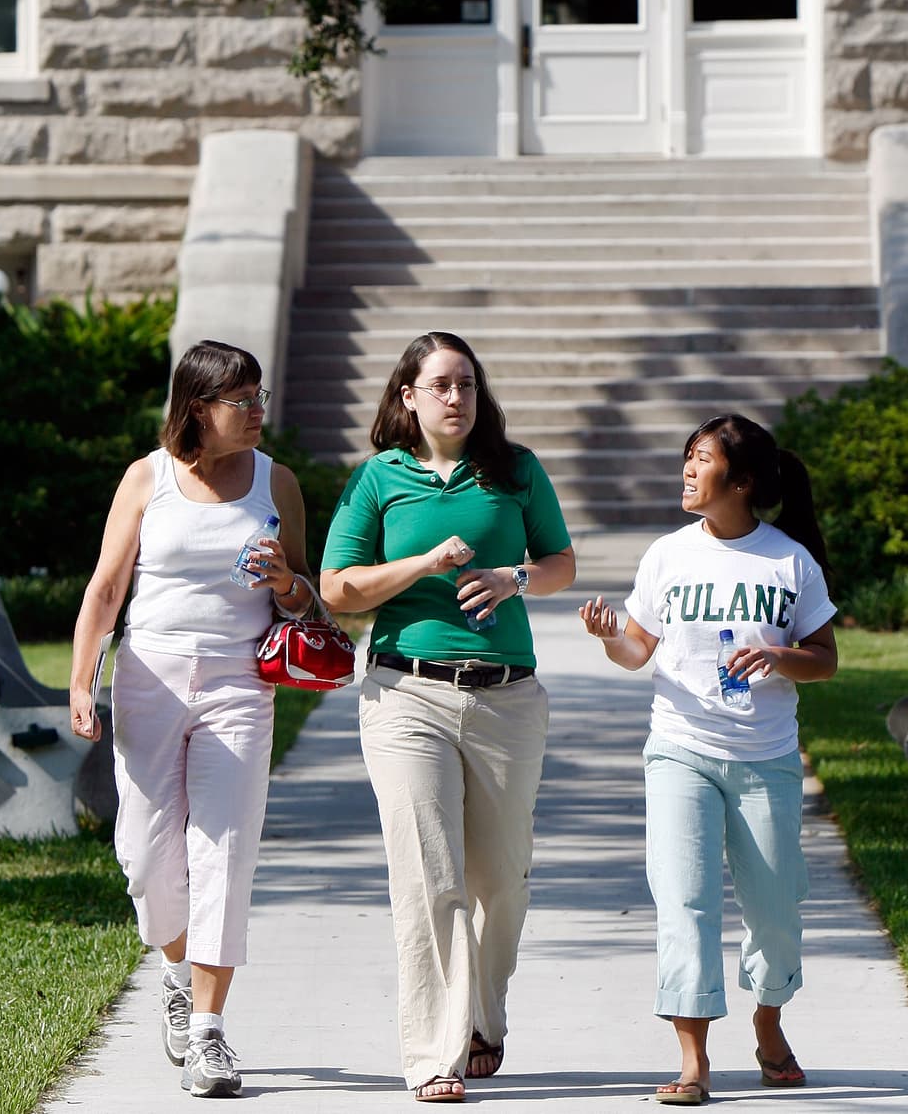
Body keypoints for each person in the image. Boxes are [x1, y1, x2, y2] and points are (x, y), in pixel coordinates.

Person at [320, 331, 575, 1105]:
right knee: (430, 878)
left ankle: (483, 1015)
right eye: (440, 384)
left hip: (507, 697)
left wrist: (513, 576)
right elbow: (337, 587)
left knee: (503, 880)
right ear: (408, 396)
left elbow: (562, 564)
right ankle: (435, 1051)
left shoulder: (515, 470)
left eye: (467, 382)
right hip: (405, 695)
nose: (457, 396)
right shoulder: (378, 480)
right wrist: (424, 565)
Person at [69, 339, 316, 1100]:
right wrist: (83, 682)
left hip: (241, 682)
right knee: (146, 857)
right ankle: (174, 971)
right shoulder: (149, 478)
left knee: (226, 855)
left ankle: (208, 1032)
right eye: (240, 401)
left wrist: (287, 581)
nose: (256, 412)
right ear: (196, 408)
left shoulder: (278, 481)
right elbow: (108, 587)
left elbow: (304, 597)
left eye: (259, 397)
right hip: (150, 677)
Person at [579, 412, 837, 1108]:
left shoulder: (789, 560)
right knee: (684, 902)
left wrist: (779, 655)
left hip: (766, 757)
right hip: (680, 750)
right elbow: (639, 651)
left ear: (743, 480)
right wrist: (610, 636)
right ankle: (693, 1060)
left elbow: (825, 659)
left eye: (703, 459)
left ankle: (768, 1017)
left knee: (777, 909)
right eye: (687, 456)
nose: (688, 470)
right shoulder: (668, 555)